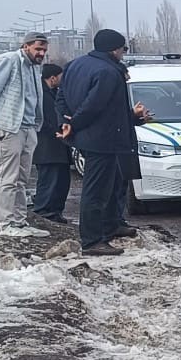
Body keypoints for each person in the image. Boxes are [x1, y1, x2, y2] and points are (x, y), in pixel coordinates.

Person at [59, 29, 135, 256]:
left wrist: (66, 121)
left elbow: (61, 97)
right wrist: (75, 123)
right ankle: (92, 241)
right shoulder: (108, 72)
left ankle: (111, 225)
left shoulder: (74, 65)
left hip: (89, 137)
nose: (123, 53)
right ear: (114, 49)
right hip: (102, 139)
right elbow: (94, 105)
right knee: (96, 191)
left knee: (110, 185)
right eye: (123, 49)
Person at [0, 32, 50, 237]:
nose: (41, 53)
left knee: (21, 178)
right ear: (25, 46)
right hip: (8, 127)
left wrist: (36, 124)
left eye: (44, 50)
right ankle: (7, 224)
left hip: (28, 128)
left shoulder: (34, 67)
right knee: (7, 177)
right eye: (38, 49)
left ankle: (19, 222)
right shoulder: (8, 61)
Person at [31, 63, 72, 222]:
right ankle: (43, 211)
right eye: (61, 77)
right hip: (47, 145)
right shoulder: (40, 94)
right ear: (53, 78)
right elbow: (42, 119)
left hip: (59, 144)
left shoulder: (54, 93)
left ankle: (55, 211)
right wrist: (57, 130)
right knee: (48, 180)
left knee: (61, 180)